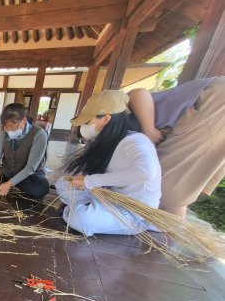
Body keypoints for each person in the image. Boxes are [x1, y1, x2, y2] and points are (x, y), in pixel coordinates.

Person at [55, 90, 161, 236]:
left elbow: (146, 172)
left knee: (82, 220)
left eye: (87, 121)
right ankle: (87, 208)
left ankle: (84, 211)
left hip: (130, 210)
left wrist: (90, 181)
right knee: (63, 183)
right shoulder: (107, 141)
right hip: (106, 196)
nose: (83, 127)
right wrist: (85, 179)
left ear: (105, 119)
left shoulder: (136, 141)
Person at [126, 77, 225, 218]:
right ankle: (173, 234)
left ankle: (170, 234)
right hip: (212, 107)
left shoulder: (113, 111)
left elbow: (138, 93)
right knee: (174, 186)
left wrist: (148, 129)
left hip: (214, 103)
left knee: (165, 186)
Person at [0, 103, 49, 198]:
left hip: (29, 176)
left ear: (24, 120)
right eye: (5, 126)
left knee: (40, 189)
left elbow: (30, 168)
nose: (8, 130)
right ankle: (8, 183)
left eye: (12, 126)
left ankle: (9, 184)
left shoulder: (39, 134)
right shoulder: (4, 133)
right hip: (7, 172)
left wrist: (9, 184)